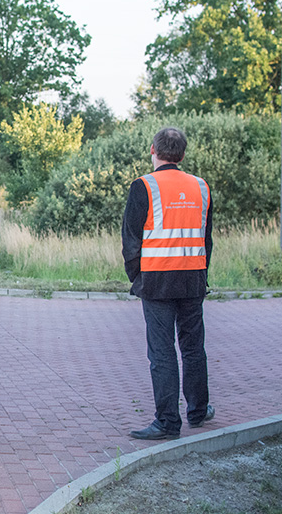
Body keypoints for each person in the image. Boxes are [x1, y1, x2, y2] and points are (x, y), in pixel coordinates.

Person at [122, 126, 215, 441]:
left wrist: (136, 276)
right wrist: (203, 273)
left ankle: (167, 422)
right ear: (183, 154)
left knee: (161, 351)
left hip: (157, 279)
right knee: (193, 348)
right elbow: (207, 239)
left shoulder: (144, 186)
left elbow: (131, 240)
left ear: (153, 150)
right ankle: (199, 411)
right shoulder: (201, 187)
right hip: (193, 277)